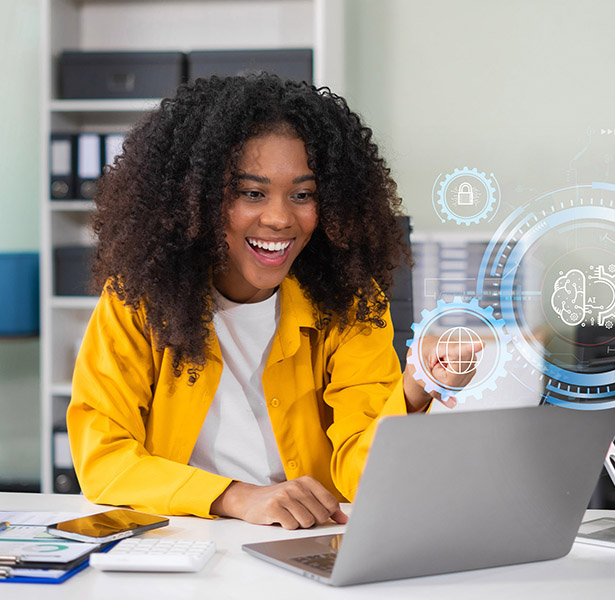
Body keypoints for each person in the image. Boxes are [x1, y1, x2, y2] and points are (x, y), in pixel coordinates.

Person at [67, 74, 479, 530]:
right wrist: (238, 498)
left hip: (304, 545)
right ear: (196, 200)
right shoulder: (139, 299)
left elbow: (363, 476)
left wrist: (413, 390)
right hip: (185, 543)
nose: (281, 218)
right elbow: (102, 460)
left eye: (303, 195)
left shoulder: (352, 305)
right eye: (251, 193)